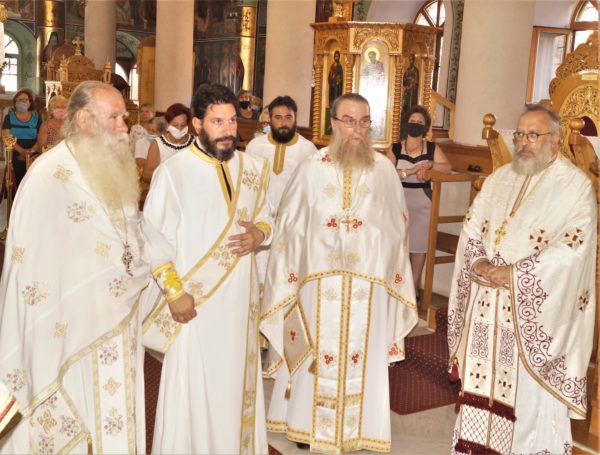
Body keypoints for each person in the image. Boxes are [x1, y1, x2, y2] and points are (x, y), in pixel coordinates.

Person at [0, 81, 191, 454]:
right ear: (84, 120)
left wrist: (171, 285)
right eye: (115, 117)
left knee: (117, 417)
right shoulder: (48, 175)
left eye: (124, 117)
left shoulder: (113, 166)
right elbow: (32, 264)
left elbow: (136, 230)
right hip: (69, 329)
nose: (124, 125)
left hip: (119, 320)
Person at [261, 93, 418, 453]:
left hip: (368, 284)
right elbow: (290, 224)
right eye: (349, 121)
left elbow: (398, 226)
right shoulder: (311, 168)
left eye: (364, 121)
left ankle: (358, 429)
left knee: (364, 354)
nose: (357, 129)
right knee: (313, 351)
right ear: (333, 123)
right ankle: (304, 426)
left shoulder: (384, 171)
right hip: (318, 282)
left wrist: (372, 248)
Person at [447, 104, 596, 454]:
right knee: (481, 387)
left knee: (525, 402)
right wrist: (478, 261)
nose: (523, 142)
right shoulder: (499, 178)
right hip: (487, 305)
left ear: (555, 140)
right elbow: (472, 227)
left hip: (529, 311)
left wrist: (515, 274)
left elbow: (572, 248)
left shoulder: (575, 187)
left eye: (533, 135)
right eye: (519, 135)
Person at [142, 83, 272, 454]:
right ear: (197, 124)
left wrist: (260, 234)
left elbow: (268, 215)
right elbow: (152, 238)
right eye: (217, 121)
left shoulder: (253, 168)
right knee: (194, 387)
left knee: (234, 383)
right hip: (194, 305)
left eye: (232, 121)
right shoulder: (173, 173)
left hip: (240, 303)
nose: (228, 130)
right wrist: (174, 293)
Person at [245, 95, 317, 288]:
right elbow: (246, 185)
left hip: (292, 224)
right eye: (278, 117)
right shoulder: (255, 146)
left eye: (288, 117)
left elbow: (312, 191)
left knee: (286, 277)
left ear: (295, 118)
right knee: (258, 275)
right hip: (260, 221)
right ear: (270, 119)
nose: (283, 123)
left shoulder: (308, 150)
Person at [390, 105, 451, 299]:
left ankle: (413, 288)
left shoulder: (431, 148)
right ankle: (396, 286)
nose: (415, 124)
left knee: (418, 247)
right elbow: (387, 172)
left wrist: (431, 165)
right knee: (399, 245)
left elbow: (447, 167)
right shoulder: (395, 147)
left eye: (420, 122)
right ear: (406, 124)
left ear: (425, 127)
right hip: (398, 201)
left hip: (422, 202)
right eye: (412, 121)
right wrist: (411, 170)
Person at [141, 103, 194, 182]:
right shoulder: (158, 144)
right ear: (167, 125)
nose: (179, 129)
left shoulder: (194, 143)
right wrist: (170, 172)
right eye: (175, 125)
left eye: (183, 125)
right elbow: (146, 176)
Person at [2, 89, 42, 187]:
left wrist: (29, 153)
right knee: (17, 180)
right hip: (15, 153)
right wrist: (22, 152)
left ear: (30, 102)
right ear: (15, 102)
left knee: (33, 181)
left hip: (33, 153)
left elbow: (40, 138)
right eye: (20, 100)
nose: (23, 102)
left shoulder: (37, 119)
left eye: (25, 99)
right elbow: (6, 136)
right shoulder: (9, 117)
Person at [400, 54, 420, 139]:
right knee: (404, 108)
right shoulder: (407, 70)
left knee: (410, 107)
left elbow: (416, 82)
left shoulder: (415, 70)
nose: (410, 61)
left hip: (412, 92)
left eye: (412, 60)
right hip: (407, 92)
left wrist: (411, 82)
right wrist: (408, 80)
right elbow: (403, 82)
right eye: (409, 60)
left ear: (414, 60)